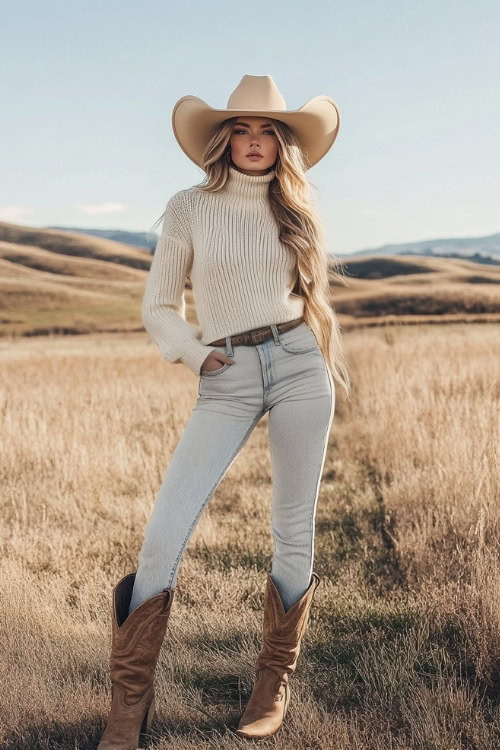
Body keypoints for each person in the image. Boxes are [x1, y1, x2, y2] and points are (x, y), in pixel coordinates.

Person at [97, 74, 351, 749]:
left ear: (285, 143)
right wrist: (192, 350)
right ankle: (129, 701)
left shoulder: (298, 207)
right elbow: (158, 304)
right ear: (223, 139)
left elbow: (311, 298)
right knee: (163, 533)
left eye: (270, 130)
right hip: (227, 373)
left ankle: (273, 681)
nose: (255, 141)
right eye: (242, 128)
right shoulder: (188, 207)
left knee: (292, 526)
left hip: (299, 365)